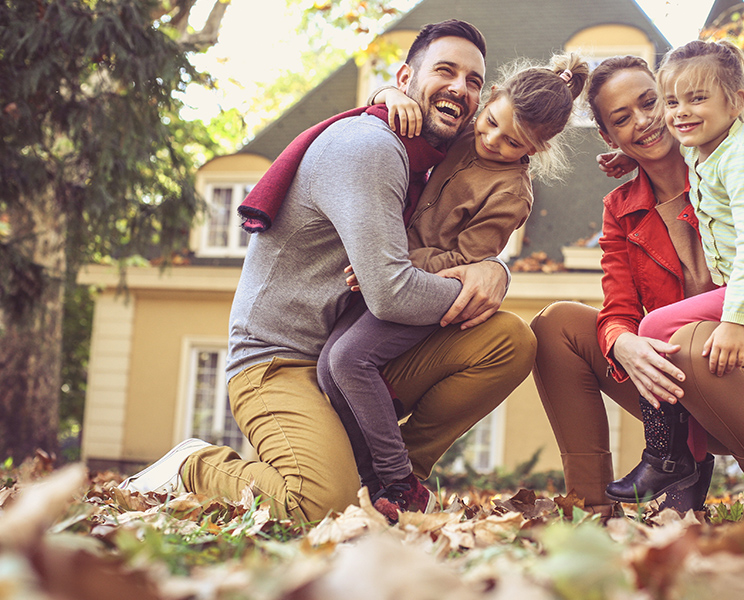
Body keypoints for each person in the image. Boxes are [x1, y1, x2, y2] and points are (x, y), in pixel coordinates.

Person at [119, 20, 537, 525]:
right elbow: (390, 294)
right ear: (406, 78)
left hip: (348, 353)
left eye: (473, 81)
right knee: (319, 505)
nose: (460, 88)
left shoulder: (443, 153)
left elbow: (483, 194)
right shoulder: (371, 146)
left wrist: (493, 268)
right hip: (277, 362)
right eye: (445, 71)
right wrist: (473, 281)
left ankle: (393, 476)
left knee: (510, 340)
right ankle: (194, 465)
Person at [530, 54, 744, 518]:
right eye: (623, 119)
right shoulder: (622, 208)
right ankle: (595, 508)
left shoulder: (739, 165)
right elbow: (618, 307)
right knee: (556, 325)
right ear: (608, 137)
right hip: (685, 400)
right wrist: (621, 342)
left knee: (691, 337)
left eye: (650, 103)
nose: (645, 122)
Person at [316, 53, 589, 521]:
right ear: (491, 100)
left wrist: (388, 260)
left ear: (537, 148)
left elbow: (465, 260)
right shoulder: (463, 131)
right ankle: (372, 483)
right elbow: (393, 108)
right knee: (328, 370)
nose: (491, 140)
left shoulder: (511, 194)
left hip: (428, 291)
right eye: (491, 122)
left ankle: (400, 480)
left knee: (348, 360)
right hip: (385, 277)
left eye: (511, 142)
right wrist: (387, 94)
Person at [604, 39, 744, 504]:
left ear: (737, 102)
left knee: (656, 327)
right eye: (673, 102)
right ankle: (685, 470)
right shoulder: (706, 153)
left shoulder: (743, 160)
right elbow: (677, 154)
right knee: (673, 348)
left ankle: (666, 456)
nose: (679, 113)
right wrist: (633, 154)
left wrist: (735, 322)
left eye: (697, 98)